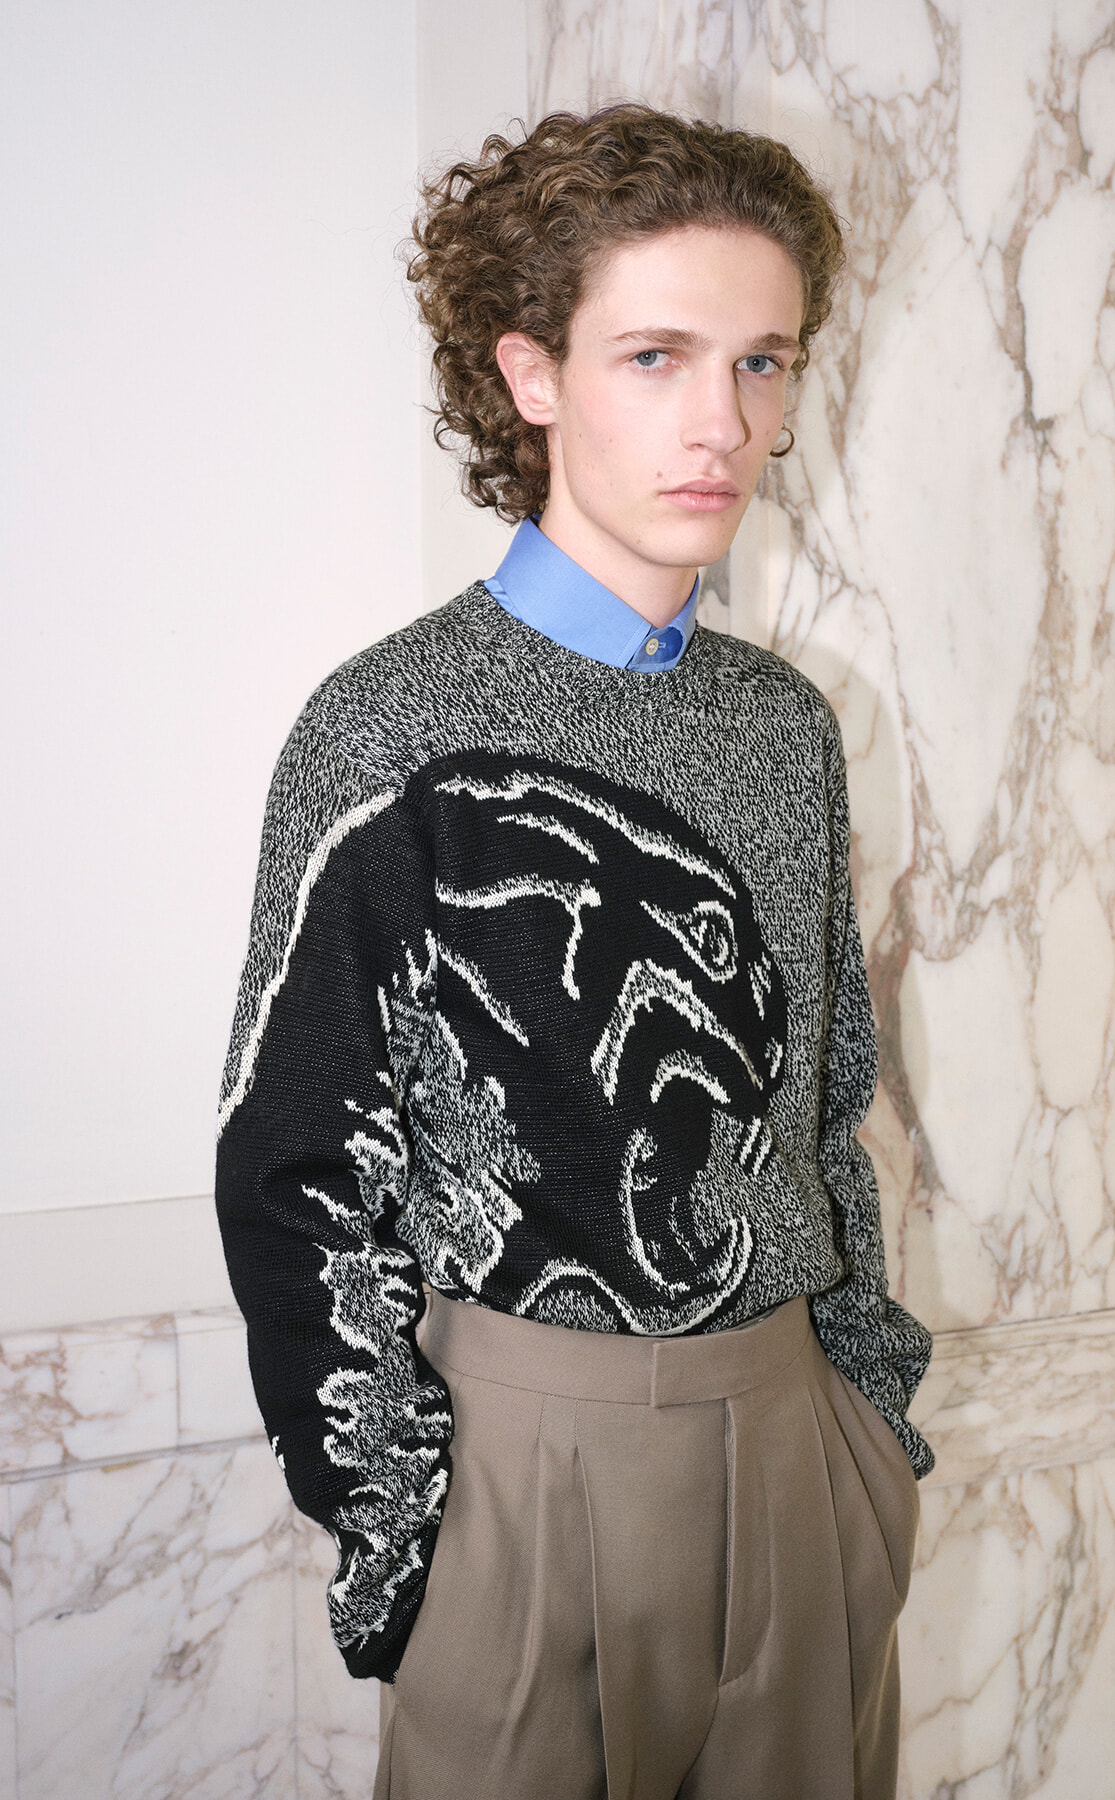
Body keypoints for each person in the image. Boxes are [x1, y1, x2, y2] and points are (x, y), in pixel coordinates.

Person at [214, 102, 934, 1800]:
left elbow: (826, 1097)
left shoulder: (785, 728)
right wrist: (414, 1540)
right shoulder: (385, 730)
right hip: (516, 1475)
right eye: (657, 356)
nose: (722, 423)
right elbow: (292, 1165)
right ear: (530, 373)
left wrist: (869, 1427)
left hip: (793, 1445)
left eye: (764, 363)